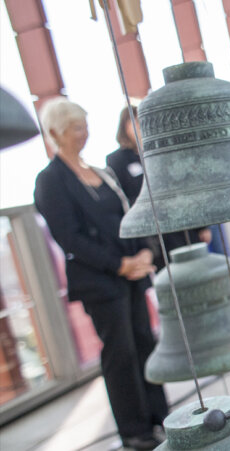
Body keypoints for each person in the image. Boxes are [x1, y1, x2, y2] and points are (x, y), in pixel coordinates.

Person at [34, 98, 168, 450]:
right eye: (76, 128)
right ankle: (135, 431)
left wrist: (143, 251)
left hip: (132, 273)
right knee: (120, 353)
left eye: (85, 126)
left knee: (144, 342)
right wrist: (118, 264)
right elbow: (69, 237)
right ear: (55, 134)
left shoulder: (102, 173)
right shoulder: (50, 181)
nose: (84, 134)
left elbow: (129, 213)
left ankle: (159, 417)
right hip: (101, 282)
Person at [106, 106, 209, 270]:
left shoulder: (160, 151)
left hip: (181, 226)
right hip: (154, 235)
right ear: (125, 126)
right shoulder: (116, 160)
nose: (142, 128)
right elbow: (125, 200)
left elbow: (182, 187)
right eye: (138, 123)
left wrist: (201, 225)